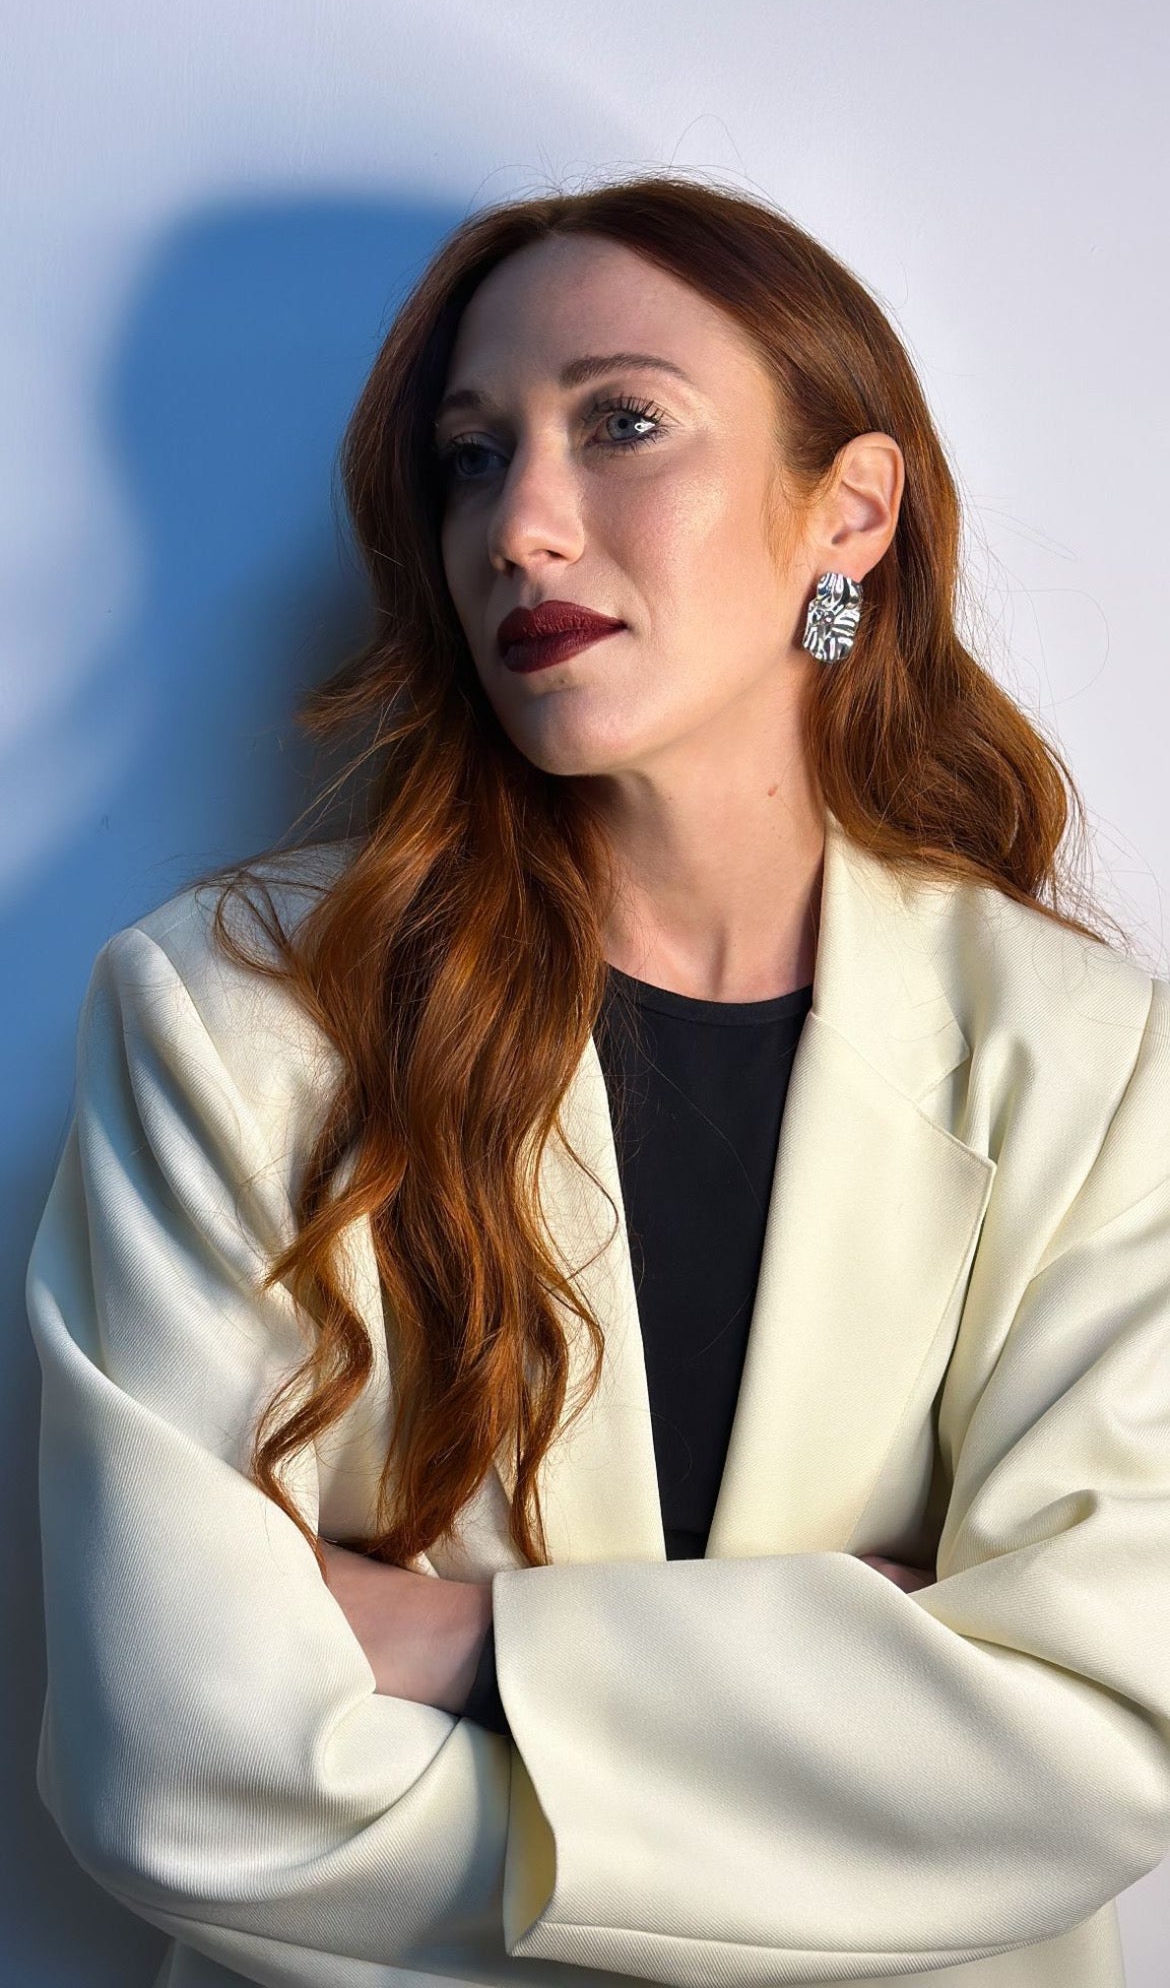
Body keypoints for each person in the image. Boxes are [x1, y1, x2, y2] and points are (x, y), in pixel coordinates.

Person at [25, 171, 1170, 1988]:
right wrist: (841, 1725)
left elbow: (1099, 1740)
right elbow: (178, 1767)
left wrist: (463, 1646)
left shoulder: (1092, 1061)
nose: (521, 527)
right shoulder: (232, 1020)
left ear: (848, 513)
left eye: (620, 423)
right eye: (472, 458)